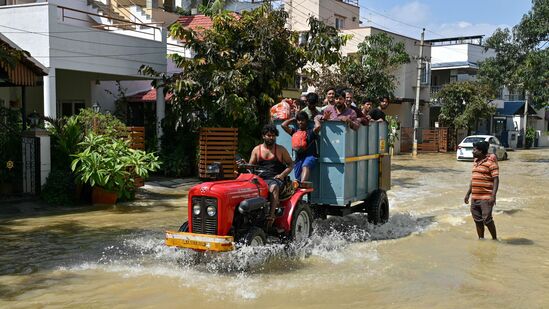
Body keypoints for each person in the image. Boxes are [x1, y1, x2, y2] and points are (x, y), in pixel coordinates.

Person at [249, 125, 294, 227]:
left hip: (276, 179)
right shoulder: (257, 150)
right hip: (260, 179)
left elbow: (291, 164)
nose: (271, 138)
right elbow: (250, 167)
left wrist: (282, 175)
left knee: (273, 187)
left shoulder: (281, 150)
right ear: (263, 136)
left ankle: (271, 216)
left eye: (273, 136)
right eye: (268, 135)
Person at [464, 141, 499, 240]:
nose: (472, 151)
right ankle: (481, 239)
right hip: (474, 197)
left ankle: (494, 239)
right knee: (477, 220)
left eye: (474, 149)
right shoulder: (475, 162)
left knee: (487, 220)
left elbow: (496, 179)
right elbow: (473, 179)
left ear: (481, 151)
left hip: (486, 197)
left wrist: (493, 196)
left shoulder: (490, 163)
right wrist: (468, 194)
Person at [281, 111, 321, 182]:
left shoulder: (310, 132)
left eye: (302, 120)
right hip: (299, 159)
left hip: (310, 156)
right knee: (297, 178)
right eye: (299, 120)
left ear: (307, 121)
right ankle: (301, 187)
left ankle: (303, 185)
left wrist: (315, 120)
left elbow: (318, 127)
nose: (300, 122)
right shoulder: (294, 131)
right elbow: (283, 125)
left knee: (305, 166)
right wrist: (293, 119)